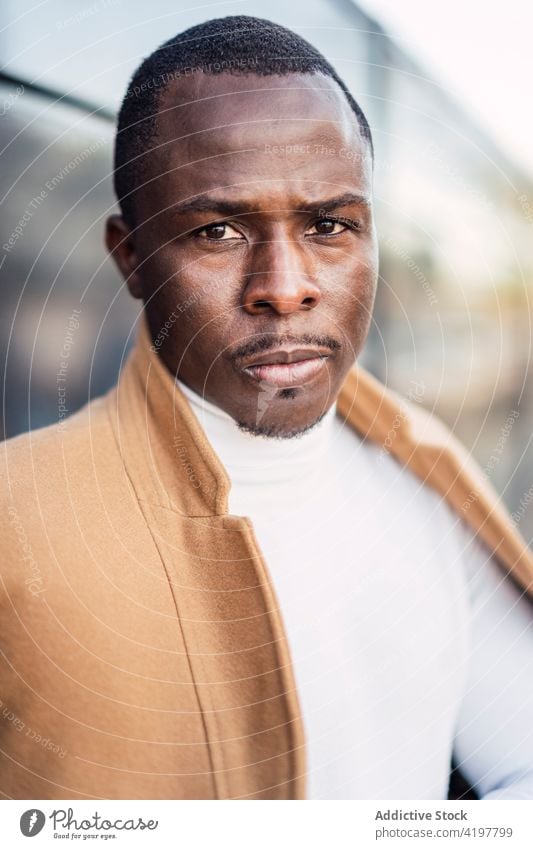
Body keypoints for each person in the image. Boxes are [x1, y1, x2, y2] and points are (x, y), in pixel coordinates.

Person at [1, 15, 532, 801]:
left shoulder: (423, 468)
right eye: (216, 230)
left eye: (328, 225)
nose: (284, 287)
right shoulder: (18, 519)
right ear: (130, 257)